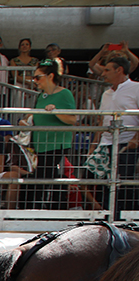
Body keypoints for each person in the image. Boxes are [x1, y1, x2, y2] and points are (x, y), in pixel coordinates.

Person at [84, 55, 139, 217]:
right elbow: (102, 119)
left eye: (107, 70)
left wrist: (136, 138)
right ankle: (107, 214)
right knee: (98, 180)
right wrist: (94, 145)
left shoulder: (136, 88)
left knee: (122, 182)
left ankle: (121, 217)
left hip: (126, 143)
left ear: (119, 70)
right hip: (105, 143)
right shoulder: (106, 93)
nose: (103, 73)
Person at [26, 58, 77, 209]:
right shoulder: (41, 96)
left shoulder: (64, 94)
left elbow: (72, 119)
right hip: (39, 145)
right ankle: (39, 209)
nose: (35, 81)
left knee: (48, 177)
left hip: (56, 144)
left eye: (38, 77)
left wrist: (56, 111)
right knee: (43, 176)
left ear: (50, 76)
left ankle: (53, 209)